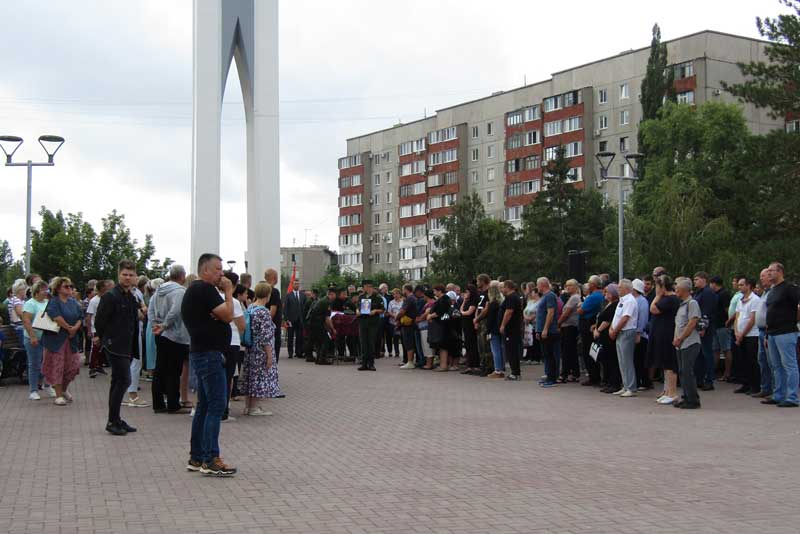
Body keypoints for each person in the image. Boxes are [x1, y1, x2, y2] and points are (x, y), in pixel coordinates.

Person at [182, 253, 237, 476]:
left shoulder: (196, 291)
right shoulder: (203, 289)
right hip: (208, 354)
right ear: (205, 270)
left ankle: (197, 457)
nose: (222, 274)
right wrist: (229, 292)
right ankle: (210, 458)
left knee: (204, 406)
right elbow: (227, 315)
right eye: (217, 269)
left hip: (203, 352)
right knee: (216, 404)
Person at [94, 260, 141, 435]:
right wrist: (106, 339)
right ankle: (112, 421)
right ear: (119, 275)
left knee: (119, 380)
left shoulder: (131, 296)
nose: (128, 278)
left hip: (127, 344)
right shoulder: (110, 296)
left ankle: (115, 418)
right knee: (124, 380)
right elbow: (100, 321)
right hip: (115, 345)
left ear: (135, 276)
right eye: (124, 274)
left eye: (131, 275)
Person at [149, 264, 191, 414]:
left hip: (159, 334)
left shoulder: (158, 290)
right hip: (176, 335)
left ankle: (158, 403)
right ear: (182, 276)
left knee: (160, 368)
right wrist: (165, 325)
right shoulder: (180, 291)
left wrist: (155, 324)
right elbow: (176, 310)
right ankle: (173, 403)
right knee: (174, 370)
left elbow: (150, 309)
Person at [40, 277, 83, 407]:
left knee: (73, 366)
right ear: (58, 288)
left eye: (70, 286)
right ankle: (58, 395)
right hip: (56, 340)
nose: (70, 288)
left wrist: (75, 327)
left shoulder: (74, 302)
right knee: (57, 366)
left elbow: (80, 316)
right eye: (66, 286)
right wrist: (69, 328)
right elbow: (56, 316)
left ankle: (64, 389)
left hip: (71, 340)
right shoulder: (54, 302)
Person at [762, 262, 800, 408]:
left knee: (789, 365)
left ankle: (792, 397)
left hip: (786, 332)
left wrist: (793, 319)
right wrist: (766, 334)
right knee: (776, 366)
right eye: (768, 270)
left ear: (780, 272)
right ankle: (778, 395)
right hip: (771, 333)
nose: (769, 273)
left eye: (771, 271)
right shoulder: (772, 290)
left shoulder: (789, 288)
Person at [240, 281, 280, 417]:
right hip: (261, 350)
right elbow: (265, 336)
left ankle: (248, 406)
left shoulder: (251, 307)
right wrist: (269, 356)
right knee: (259, 377)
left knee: (250, 376)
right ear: (267, 295)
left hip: (251, 347)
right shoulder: (264, 312)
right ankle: (254, 408)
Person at [649, 276, 681, 404]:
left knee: (669, 364)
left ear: (662, 287)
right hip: (661, 334)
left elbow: (653, 309)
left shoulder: (670, 299)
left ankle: (672, 393)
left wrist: (657, 296)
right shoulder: (667, 299)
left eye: (657, 286)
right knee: (665, 364)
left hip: (667, 334)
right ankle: (667, 391)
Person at [673, 277, 703, 409]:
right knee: (682, 371)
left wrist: (681, 338)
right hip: (681, 344)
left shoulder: (692, 303)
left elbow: (692, 323)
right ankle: (686, 396)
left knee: (687, 371)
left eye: (677, 288)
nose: (675, 290)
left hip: (689, 343)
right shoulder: (682, 304)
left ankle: (692, 400)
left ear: (684, 289)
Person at [21, 280, 52, 400]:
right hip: (33, 338)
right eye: (44, 290)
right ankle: (33, 390)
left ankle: (48, 385)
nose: (46, 292)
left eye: (47, 289)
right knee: (34, 364)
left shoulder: (47, 302)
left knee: (48, 363)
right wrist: (32, 336)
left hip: (46, 337)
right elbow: (26, 321)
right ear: (37, 291)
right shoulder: (30, 304)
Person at [610, 279, 638, 397]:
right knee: (621, 361)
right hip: (620, 332)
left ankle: (631, 387)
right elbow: (617, 316)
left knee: (627, 361)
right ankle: (625, 385)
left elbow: (625, 317)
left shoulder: (630, 300)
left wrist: (615, 330)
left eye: (620, 287)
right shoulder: (622, 300)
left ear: (627, 289)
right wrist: (612, 328)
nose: (618, 289)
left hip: (626, 332)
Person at [733, 277, 761, 396]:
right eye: (738, 285)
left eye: (741, 285)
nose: (739, 287)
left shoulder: (755, 299)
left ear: (749, 286)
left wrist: (742, 333)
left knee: (752, 360)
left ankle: (755, 385)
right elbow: (737, 316)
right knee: (742, 360)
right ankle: (745, 383)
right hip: (740, 334)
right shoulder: (740, 299)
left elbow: (752, 319)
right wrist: (736, 332)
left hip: (751, 334)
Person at [692, 271, 718, 391]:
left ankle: (709, 380)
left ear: (703, 279)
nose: (695, 281)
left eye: (697, 279)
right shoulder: (699, 293)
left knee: (707, 354)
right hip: (698, 327)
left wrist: (702, 328)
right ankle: (699, 379)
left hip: (705, 328)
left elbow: (706, 312)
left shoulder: (707, 293)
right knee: (699, 355)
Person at [577, 275, 604, 386]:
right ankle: (594, 376)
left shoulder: (594, 297)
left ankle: (594, 376)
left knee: (589, 352)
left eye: (589, 282)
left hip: (588, 326)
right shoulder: (594, 296)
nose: (587, 285)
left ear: (593, 284)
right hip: (587, 325)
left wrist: (580, 306)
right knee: (589, 351)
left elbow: (580, 310)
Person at [594, 284, 621, 394]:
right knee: (606, 360)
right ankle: (609, 381)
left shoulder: (615, 305)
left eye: (608, 292)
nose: (606, 294)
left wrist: (598, 330)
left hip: (608, 335)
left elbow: (608, 320)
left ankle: (615, 383)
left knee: (612, 360)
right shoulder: (607, 304)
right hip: (603, 336)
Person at [535, 278, 560, 387]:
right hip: (542, 330)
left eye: (537, 285)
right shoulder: (544, 296)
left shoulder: (550, 296)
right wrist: (538, 330)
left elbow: (550, 313)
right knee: (546, 354)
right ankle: (549, 376)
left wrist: (545, 329)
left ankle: (552, 378)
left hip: (549, 331)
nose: (537, 287)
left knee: (549, 354)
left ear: (542, 285)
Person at [356, 280, 384, 371]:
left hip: (373, 322)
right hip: (363, 322)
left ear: (371, 287)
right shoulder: (361, 297)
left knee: (371, 342)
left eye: (368, 286)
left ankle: (371, 363)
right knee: (363, 343)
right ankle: (364, 363)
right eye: (365, 287)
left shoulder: (377, 297)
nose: (367, 288)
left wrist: (375, 311)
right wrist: (357, 311)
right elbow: (357, 307)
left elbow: (383, 310)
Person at [86, 280, 113, 378]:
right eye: (107, 286)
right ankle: (92, 367)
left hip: (105, 328)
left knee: (103, 348)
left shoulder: (107, 299)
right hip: (95, 329)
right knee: (96, 348)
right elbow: (89, 316)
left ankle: (99, 365)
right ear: (102, 288)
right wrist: (89, 330)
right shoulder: (94, 300)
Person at [753, 268, 773, 399]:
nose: (761, 279)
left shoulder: (773, 292)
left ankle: (776, 390)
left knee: (772, 362)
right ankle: (765, 388)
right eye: (760, 276)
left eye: (763, 276)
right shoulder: (764, 293)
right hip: (760, 331)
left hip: (769, 331)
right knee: (762, 361)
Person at [710, 275, 734, 383]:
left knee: (726, 349)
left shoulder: (724, 294)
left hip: (723, 325)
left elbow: (727, 309)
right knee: (715, 349)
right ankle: (713, 371)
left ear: (714, 284)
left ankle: (727, 372)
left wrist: (728, 321)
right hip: (715, 325)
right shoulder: (715, 294)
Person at [557, 279, 581, 383]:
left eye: (570, 285)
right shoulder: (571, 297)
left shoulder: (575, 298)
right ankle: (574, 373)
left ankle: (564, 374)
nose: (567, 287)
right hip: (569, 327)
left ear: (575, 286)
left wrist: (558, 323)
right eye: (566, 285)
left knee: (567, 351)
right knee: (571, 351)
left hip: (569, 327)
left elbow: (566, 313)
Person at [429, 284, 457, 372]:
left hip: (443, 325)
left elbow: (440, 311)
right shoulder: (442, 299)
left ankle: (443, 365)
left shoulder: (444, 299)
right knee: (441, 346)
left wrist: (430, 316)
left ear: (439, 291)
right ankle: (443, 364)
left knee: (443, 345)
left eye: (435, 291)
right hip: (441, 324)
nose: (434, 293)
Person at [500, 280, 524, 381]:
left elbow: (509, 312)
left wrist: (503, 325)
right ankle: (515, 372)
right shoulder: (513, 297)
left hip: (511, 328)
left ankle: (515, 373)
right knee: (510, 350)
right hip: (512, 328)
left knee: (511, 351)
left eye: (502, 287)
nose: (501, 290)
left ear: (507, 287)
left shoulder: (511, 297)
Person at [307, 287, 337, 365]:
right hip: (317, 324)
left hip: (313, 323)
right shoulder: (327, 302)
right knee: (326, 340)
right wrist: (333, 329)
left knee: (319, 341)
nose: (335, 297)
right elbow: (327, 318)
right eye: (334, 295)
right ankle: (322, 359)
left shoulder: (323, 300)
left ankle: (318, 359)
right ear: (331, 294)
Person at [632, 279, 651, 390]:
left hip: (640, 334)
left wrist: (639, 331)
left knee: (640, 359)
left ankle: (644, 381)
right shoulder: (635, 300)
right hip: (636, 333)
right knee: (636, 359)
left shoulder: (642, 301)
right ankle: (639, 380)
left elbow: (643, 318)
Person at [472, 274, 493, 376]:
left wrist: (478, 318)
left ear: (483, 281)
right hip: (479, 320)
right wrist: (476, 319)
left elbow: (486, 308)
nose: (477, 283)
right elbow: (478, 307)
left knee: (485, 345)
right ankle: (483, 365)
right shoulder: (481, 293)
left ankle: (488, 367)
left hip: (485, 321)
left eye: (478, 281)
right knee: (480, 344)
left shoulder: (489, 292)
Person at [486, 280, 506, 379]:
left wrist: (487, 330)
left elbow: (490, 319)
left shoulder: (493, 303)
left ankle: (498, 370)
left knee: (496, 350)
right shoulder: (502, 301)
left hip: (494, 329)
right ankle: (501, 368)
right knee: (501, 349)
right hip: (500, 327)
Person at [459, 284, 480, 375]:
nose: (465, 294)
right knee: (467, 344)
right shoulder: (467, 301)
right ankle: (469, 365)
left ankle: (475, 365)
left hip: (470, 325)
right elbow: (461, 309)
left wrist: (463, 312)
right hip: (465, 324)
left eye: (467, 292)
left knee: (472, 345)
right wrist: (464, 300)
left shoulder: (474, 301)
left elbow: (469, 312)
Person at [396, 284, 418, 369]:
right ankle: (410, 361)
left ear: (406, 290)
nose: (402, 292)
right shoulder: (414, 298)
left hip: (408, 324)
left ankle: (410, 362)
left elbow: (402, 311)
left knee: (409, 343)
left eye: (402, 290)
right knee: (410, 342)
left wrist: (396, 318)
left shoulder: (409, 298)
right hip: (412, 323)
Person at [263, 268, 283, 361]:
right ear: (274, 278)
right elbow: (273, 311)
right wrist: (268, 324)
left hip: (263, 326)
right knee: (273, 354)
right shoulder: (274, 291)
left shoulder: (261, 290)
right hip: (273, 327)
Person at [284, 279, 306, 359]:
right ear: (293, 285)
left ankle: (298, 352)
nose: (297, 285)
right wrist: (286, 319)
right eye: (295, 284)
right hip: (291, 320)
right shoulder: (288, 295)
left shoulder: (303, 295)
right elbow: (285, 308)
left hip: (300, 320)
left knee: (299, 337)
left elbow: (305, 307)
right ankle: (290, 353)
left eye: (298, 284)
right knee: (290, 337)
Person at [522, 285, 540, 363]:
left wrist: (530, 318)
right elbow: (524, 310)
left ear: (536, 293)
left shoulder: (540, 302)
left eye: (533, 292)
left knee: (535, 341)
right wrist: (525, 317)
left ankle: (537, 358)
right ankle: (530, 357)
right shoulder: (530, 301)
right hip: (528, 323)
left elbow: (537, 312)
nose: (531, 294)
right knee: (528, 340)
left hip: (535, 322)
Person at [386, 289, 403, 359]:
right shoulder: (391, 302)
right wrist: (394, 316)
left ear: (400, 294)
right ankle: (396, 352)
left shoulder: (403, 302)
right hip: (393, 322)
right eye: (394, 294)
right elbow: (389, 312)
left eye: (397, 294)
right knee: (395, 337)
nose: (395, 295)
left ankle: (404, 352)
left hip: (401, 322)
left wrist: (398, 317)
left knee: (402, 337)